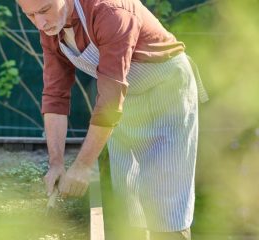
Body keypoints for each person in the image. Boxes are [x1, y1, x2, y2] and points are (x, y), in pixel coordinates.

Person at [17, 0, 208, 239]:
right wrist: (56, 163)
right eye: (30, 15)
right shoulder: (51, 30)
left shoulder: (110, 12)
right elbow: (55, 96)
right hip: (125, 103)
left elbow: (109, 100)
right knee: (130, 200)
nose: (40, 22)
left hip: (166, 91)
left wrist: (82, 166)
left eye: (45, 10)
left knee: (167, 200)